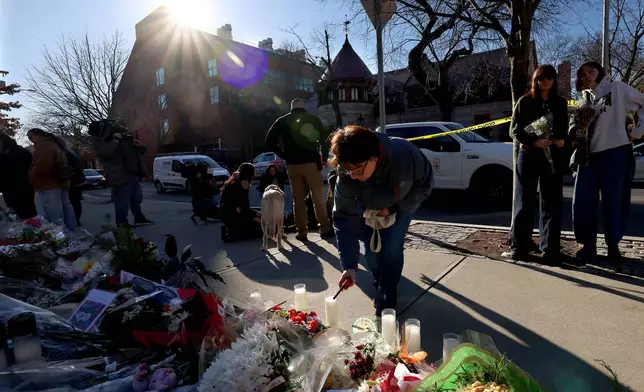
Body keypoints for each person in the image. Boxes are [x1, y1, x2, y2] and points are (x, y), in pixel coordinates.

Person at [332, 126, 433, 316]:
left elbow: (425, 185)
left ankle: (388, 289)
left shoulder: (405, 155)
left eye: (357, 169)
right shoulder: (347, 173)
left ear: (374, 158)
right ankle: (379, 282)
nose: (353, 176)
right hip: (368, 210)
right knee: (371, 253)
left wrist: (396, 209)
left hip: (401, 207)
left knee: (391, 247)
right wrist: (349, 267)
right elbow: (343, 218)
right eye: (347, 170)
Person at [570, 61, 644, 262]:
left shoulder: (618, 88)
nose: (588, 73)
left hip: (616, 153)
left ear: (600, 71)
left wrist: (638, 131)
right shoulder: (582, 100)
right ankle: (588, 246)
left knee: (615, 202)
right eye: (583, 72)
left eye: (591, 69)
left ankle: (613, 246)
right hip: (588, 157)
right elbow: (575, 127)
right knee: (582, 203)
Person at [506, 64, 569, 264]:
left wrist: (561, 140)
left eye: (550, 77)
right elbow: (514, 130)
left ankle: (550, 248)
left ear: (555, 80)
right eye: (542, 77)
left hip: (553, 158)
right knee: (525, 201)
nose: (546, 81)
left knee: (551, 203)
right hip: (529, 155)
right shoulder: (525, 101)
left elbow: (564, 128)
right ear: (536, 80)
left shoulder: (560, 102)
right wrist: (534, 141)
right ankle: (520, 246)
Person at [265, 98, 332, 241]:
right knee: (318, 197)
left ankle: (301, 231)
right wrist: (324, 156)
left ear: (291, 107)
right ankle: (324, 228)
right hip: (311, 164)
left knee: (298, 199)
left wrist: (285, 154)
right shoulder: (313, 119)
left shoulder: (281, 121)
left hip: (292, 165)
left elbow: (269, 141)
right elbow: (324, 141)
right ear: (303, 106)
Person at [93, 121, 154, 228]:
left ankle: (138, 217)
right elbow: (107, 152)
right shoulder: (101, 142)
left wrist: (135, 143)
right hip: (119, 175)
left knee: (136, 199)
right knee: (122, 201)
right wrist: (117, 140)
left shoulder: (123, 140)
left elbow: (141, 150)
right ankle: (121, 222)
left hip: (132, 173)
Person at [27, 128, 77, 231]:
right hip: (59, 182)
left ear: (37, 135)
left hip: (49, 184)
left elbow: (43, 166)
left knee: (54, 214)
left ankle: (59, 236)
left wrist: (33, 172)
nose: (30, 140)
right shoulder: (54, 143)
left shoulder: (44, 145)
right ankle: (71, 232)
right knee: (65, 209)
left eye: (30, 137)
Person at [220, 163, 263, 242]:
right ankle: (233, 231)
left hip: (227, 213)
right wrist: (257, 215)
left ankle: (229, 229)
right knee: (260, 228)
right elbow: (244, 207)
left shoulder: (234, 180)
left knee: (258, 211)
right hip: (234, 214)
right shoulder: (244, 182)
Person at [0, 134, 37, 219]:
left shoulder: (15, 154)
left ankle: (31, 229)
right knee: (22, 213)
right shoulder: (19, 151)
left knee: (24, 214)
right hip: (17, 189)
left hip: (19, 189)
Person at [66, 150, 86, 226]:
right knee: (76, 201)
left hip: (74, 181)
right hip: (79, 180)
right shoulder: (72, 154)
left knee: (74, 201)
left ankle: (75, 220)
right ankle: (77, 219)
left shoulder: (65, 155)